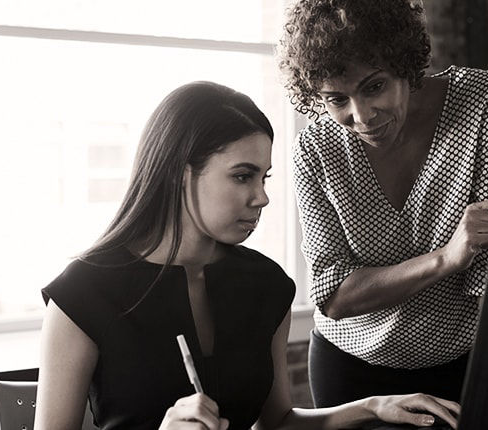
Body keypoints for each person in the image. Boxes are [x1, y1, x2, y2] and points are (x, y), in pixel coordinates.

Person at [33, 81, 463, 430]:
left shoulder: (267, 285)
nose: (261, 198)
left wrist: (372, 407)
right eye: (242, 177)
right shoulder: (83, 293)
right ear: (181, 172)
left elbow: (277, 422)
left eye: (264, 178)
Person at [277, 0, 488, 427]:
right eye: (337, 99)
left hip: (466, 365)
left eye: (374, 87)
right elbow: (334, 296)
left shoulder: (487, 102)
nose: (361, 116)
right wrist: (446, 258)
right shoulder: (315, 150)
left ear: (405, 65)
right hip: (352, 372)